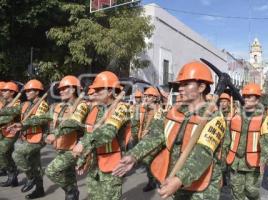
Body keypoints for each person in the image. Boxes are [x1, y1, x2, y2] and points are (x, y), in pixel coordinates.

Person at [112, 61, 226, 200]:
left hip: (201, 189)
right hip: (172, 180)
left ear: (201, 87)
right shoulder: (173, 112)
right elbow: (155, 135)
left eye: (186, 84)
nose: (181, 89)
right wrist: (134, 156)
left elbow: (202, 154)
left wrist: (179, 179)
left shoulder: (215, 117)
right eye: (180, 85)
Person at [17, 76, 88, 200]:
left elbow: (73, 122)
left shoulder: (82, 105)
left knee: (51, 171)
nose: (60, 91)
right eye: (59, 89)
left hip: (73, 149)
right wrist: (22, 124)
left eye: (63, 88)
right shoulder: (58, 106)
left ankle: (72, 192)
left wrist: (55, 133)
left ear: (72, 90)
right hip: (61, 147)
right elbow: (43, 117)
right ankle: (71, 194)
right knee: (68, 176)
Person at [72, 71, 132, 200]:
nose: (95, 92)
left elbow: (108, 133)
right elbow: (89, 134)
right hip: (94, 164)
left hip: (113, 164)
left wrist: (82, 144)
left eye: (99, 89)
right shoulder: (96, 110)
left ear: (110, 91)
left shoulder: (122, 108)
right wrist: (83, 159)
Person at [223, 83, 268, 200]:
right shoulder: (235, 116)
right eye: (245, 96)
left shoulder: (263, 119)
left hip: (254, 164)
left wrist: (267, 165)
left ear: (257, 100)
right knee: (237, 193)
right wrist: (223, 161)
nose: (246, 99)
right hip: (235, 163)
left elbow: (267, 144)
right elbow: (227, 140)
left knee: (252, 193)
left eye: (249, 96)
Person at [7, 79, 49, 199]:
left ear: (37, 92)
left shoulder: (43, 104)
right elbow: (11, 111)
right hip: (28, 137)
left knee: (17, 154)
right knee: (35, 164)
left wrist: (22, 125)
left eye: (30, 90)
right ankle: (40, 189)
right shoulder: (25, 104)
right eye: (26, 90)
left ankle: (31, 178)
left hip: (39, 138)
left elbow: (40, 119)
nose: (26, 92)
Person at [132, 86, 162, 192]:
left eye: (149, 96)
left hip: (155, 143)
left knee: (157, 163)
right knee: (148, 164)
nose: (146, 98)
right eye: (145, 96)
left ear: (155, 98)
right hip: (144, 141)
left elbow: (158, 128)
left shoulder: (159, 111)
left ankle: (159, 182)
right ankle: (151, 181)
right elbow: (137, 122)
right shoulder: (144, 109)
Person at [0, 82, 21, 186]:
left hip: (12, 132)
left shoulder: (17, 103)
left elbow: (8, 117)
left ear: (12, 92)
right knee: (7, 154)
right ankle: (12, 177)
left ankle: (12, 173)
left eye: (5, 90)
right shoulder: (5, 103)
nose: (2, 92)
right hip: (4, 132)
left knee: (2, 152)